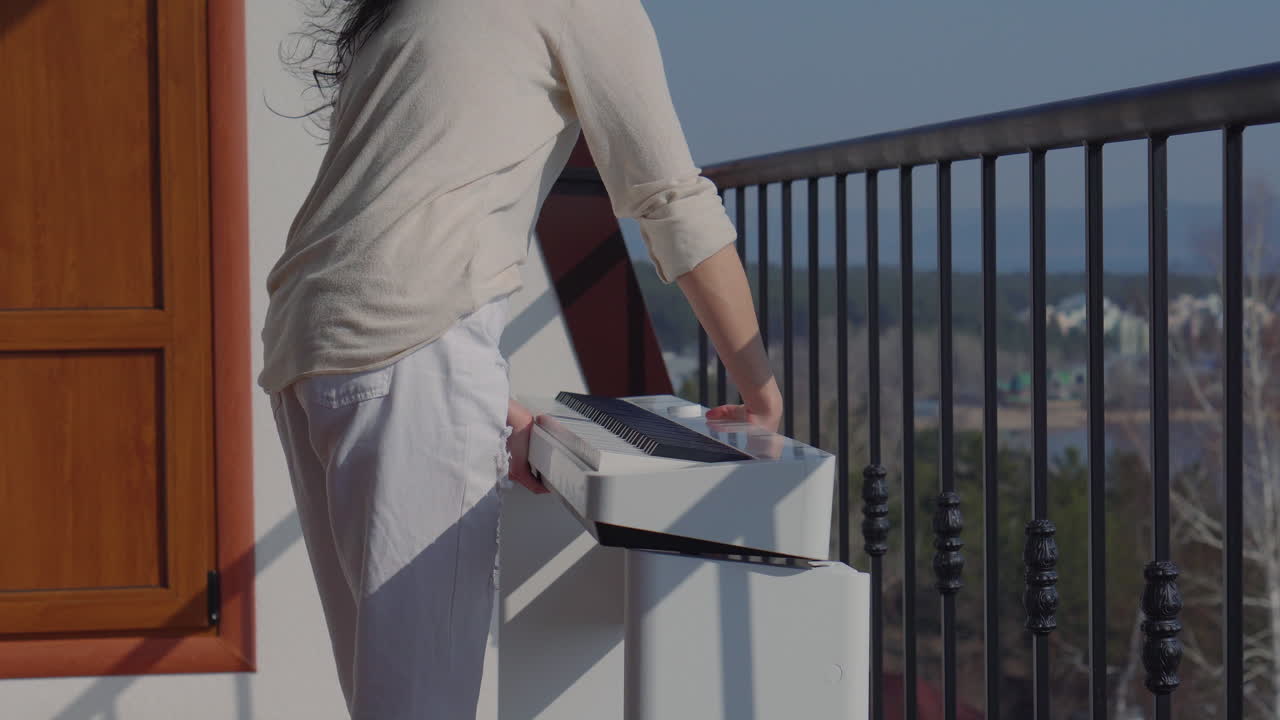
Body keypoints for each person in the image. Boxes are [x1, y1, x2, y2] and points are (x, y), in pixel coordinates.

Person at [261, 0, 781, 717]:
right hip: (406, 348)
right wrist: (760, 388)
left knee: (389, 694)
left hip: (313, 341)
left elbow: (396, 197)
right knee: (421, 703)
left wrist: (480, 405)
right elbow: (669, 196)